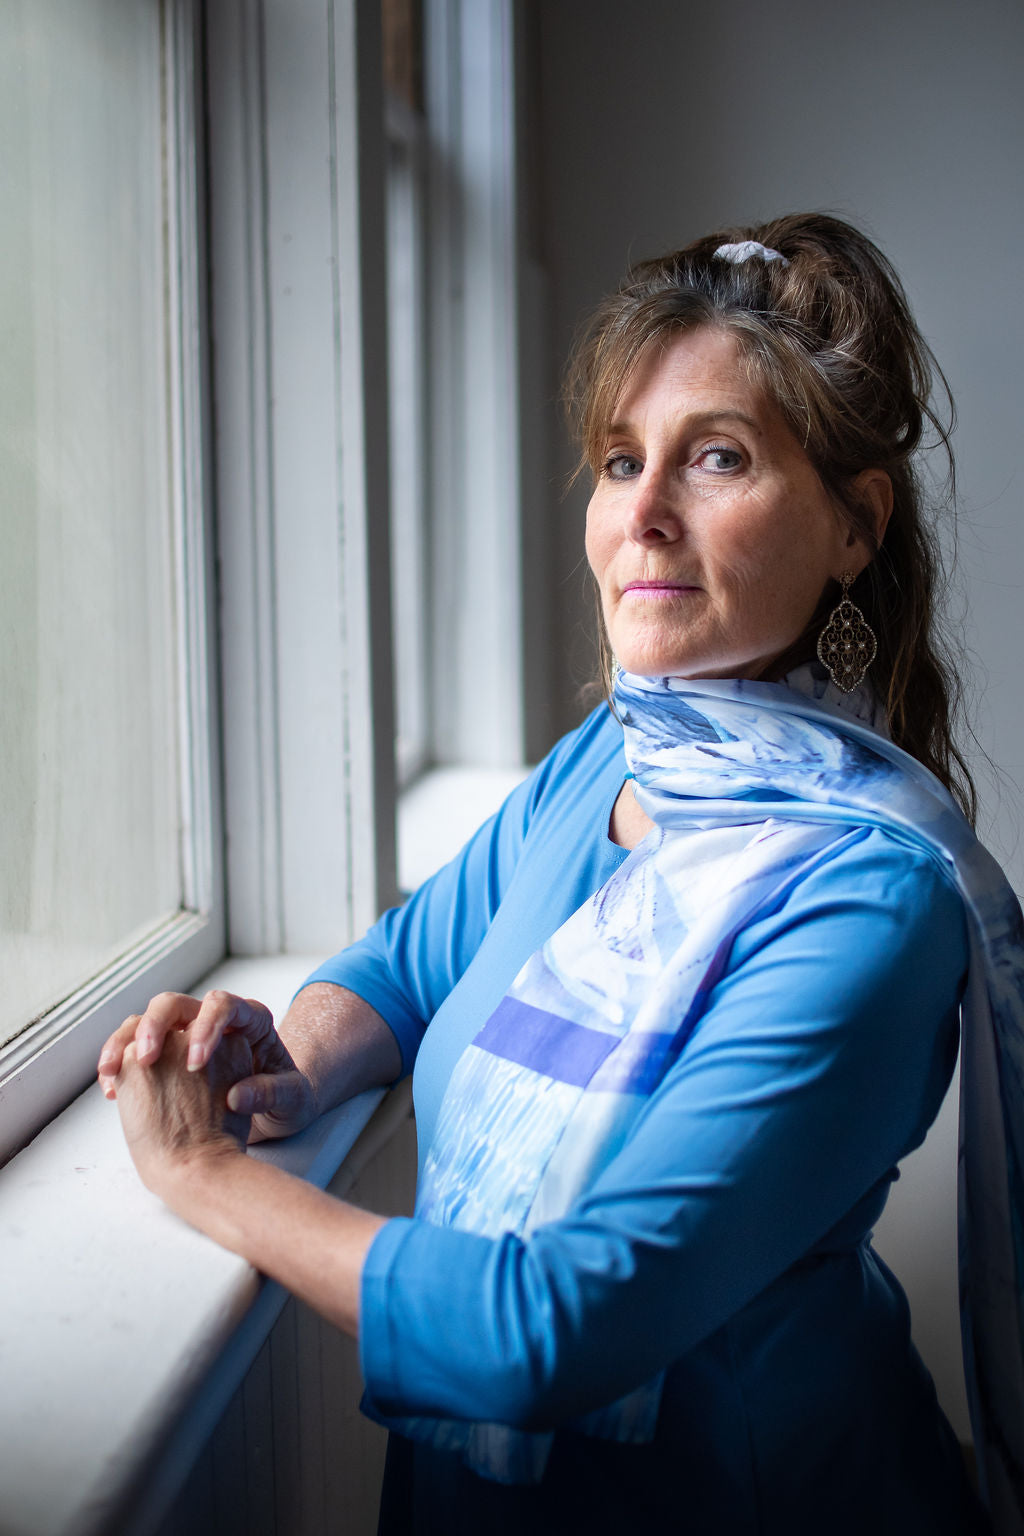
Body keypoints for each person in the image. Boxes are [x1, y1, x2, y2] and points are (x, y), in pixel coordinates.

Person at [98, 213, 1024, 1535]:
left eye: (716, 457)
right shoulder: (609, 758)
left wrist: (204, 1172)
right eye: (620, 460)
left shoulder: (872, 901)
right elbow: (405, 966)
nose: (642, 514)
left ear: (854, 526)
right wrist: (293, 1066)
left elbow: (547, 1333)